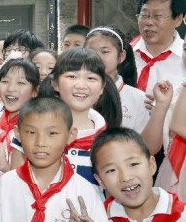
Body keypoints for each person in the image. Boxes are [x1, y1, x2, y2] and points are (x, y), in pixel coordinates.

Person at [12, 48, 121, 182]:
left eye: (91, 78)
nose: (81, 85)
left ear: (102, 87)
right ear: (55, 84)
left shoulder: (109, 141)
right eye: (72, 76)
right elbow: (16, 183)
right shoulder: (30, 129)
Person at [91, 127, 186, 222]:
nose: (126, 177)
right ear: (100, 181)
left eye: (133, 164)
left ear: (152, 165)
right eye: (111, 170)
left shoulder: (182, 217)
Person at [85, 26, 172, 152]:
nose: (97, 57)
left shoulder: (138, 98)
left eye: (105, 52)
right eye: (91, 51)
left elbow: (148, 148)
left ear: (121, 56)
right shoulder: (74, 91)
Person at [0, 59, 39, 172]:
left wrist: (4, 166)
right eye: (5, 81)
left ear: (35, 91)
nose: (11, 89)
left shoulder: (37, 129)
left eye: (20, 83)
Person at [133, 0, 186, 94]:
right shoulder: (123, 54)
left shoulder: (183, 57)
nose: (149, 22)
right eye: (144, 15)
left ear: (178, 19)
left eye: (158, 16)